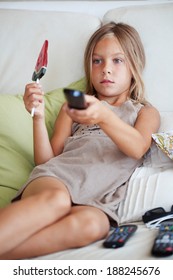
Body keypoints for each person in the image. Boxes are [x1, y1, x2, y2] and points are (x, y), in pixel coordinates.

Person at [0, 22, 160, 259]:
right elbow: (46, 160)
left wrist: (103, 115)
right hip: (56, 180)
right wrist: (39, 116)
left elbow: (137, 147)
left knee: (94, 227)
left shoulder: (144, 112)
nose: (106, 69)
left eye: (117, 60)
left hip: (96, 201)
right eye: (98, 61)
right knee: (56, 200)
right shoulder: (72, 107)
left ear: (135, 64)